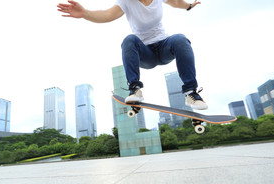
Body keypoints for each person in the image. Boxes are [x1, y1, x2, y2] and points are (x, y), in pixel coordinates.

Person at [57, 0, 208, 110]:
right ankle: (134, 88)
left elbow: (175, 2)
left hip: (164, 48)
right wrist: (85, 13)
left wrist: (189, 6)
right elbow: (107, 15)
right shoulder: (126, 2)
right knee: (129, 40)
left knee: (180, 38)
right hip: (144, 53)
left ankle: (191, 93)